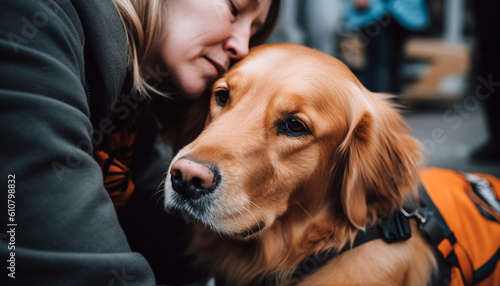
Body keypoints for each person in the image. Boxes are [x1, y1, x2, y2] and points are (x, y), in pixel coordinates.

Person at [0, 0, 280, 285]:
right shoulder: (33, 21)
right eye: (234, 8)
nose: (243, 47)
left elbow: (172, 245)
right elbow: (72, 261)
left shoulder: (139, 112)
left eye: (254, 29)